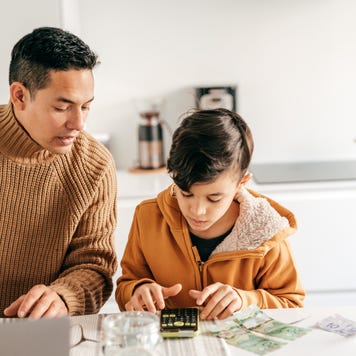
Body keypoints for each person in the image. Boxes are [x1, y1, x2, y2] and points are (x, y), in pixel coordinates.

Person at [116, 108, 305, 320]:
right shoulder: (147, 217)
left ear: (241, 183)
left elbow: (291, 303)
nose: (197, 211)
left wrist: (245, 300)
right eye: (186, 194)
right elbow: (126, 285)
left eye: (214, 198)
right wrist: (138, 290)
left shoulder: (267, 232)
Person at [0, 27, 118, 319]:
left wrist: (64, 298)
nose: (78, 123)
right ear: (19, 96)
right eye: (62, 107)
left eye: (86, 107)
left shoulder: (95, 165)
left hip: (41, 333)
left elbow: (94, 265)